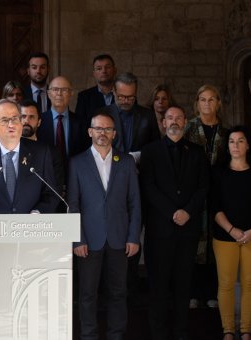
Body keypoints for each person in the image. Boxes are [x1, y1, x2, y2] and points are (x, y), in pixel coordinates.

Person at [68, 111, 141, 340]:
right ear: (90, 132)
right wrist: (78, 238)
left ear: (114, 133)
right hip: (88, 241)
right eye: (98, 128)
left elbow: (135, 202)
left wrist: (133, 236)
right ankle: (89, 336)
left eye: (107, 129)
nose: (102, 133)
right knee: (87, 294)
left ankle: (115, 335)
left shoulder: (126, 161)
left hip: (120, 239)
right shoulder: (77, 163)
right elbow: (73, 204)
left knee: (118, 293)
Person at [140, 105, 209, 340]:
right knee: (158, 287)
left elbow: (203, 187)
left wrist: (187, 212)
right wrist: (172, 212)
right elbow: (148, 187)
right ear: (162, 122)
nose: (174, 122)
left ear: (185, 121)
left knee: (183, 286)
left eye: (178, 117)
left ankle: (181, 333)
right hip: (160, 230)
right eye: (169, 118)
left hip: (187, 231)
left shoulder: (198, 152)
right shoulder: (150, 152)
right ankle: (158, 334)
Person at [211, 126, 251, 340]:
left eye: (240, 141)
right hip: (225, 236)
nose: (235, 145)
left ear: (248, 145)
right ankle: (228, 330)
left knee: (249, 284)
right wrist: (232, 230)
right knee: (225, 284)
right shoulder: (218, 171)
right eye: (232, 141)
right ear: (227, 146)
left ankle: (246, 331)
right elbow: (215, 206)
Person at [184, 84, 227, 309]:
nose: (207, 104)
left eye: (212, 99)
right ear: (197, 102)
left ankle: (212, 292)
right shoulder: (188, 128)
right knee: (194, 242)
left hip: (218, 193)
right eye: (203, 99)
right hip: (193, 193)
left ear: (218, 102)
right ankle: (193, 292)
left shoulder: (226, 131)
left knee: (214, 243)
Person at [102, 72, 161, 164]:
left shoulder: (148, 115)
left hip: (139, 171)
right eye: (121, 96)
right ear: (113, 91)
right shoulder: (102, 114)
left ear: (136, 93)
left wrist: (139, 156)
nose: (126, 101)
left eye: (130, 97)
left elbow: (156, 146)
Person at [75, 54, 117, 122]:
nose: (104, 71)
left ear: (115, 70)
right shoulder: (84, 97)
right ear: (94, 73)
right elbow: (80, 125)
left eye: (107, 67)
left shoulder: (124, 95)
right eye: (99, 68)